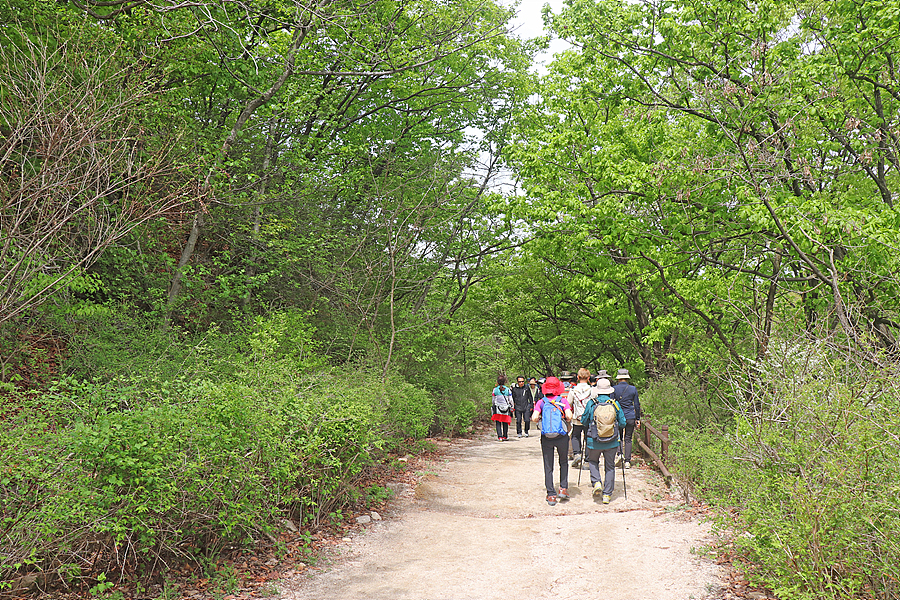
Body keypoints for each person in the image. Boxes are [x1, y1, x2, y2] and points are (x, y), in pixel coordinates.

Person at [582, 378, 626, 504]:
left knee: (593, 461)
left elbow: (584, 421)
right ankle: (607, 495)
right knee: (610, 467)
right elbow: (623, 422)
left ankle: (596, 482)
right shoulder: (614, 403)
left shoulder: (592, 403)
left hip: (594, 440)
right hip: (611, 441)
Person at [531, 376, 573, 506]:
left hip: (546, 437)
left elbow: (534, 418)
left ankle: (551, 495)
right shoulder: (563, 401)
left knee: (548, 465)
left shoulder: (541, 402)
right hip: (561, 436)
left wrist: (541, 419)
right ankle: (563, 489)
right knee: (563, 462)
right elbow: (569, 416)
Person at [613, 368, 641, 468]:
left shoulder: (614, 389)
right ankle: (628, 461)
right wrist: (638, 418)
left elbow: (612, 403)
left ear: (619, 378)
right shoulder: (633, 389)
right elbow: (637, 405)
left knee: (618, 436)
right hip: (630, 416)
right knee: (628, 438)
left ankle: (620, 454)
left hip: (618, 416)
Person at [567, 368, 594, 468]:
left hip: (577, 418)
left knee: (575, 436)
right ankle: (587, 460)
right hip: (588, 418)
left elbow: (568, 403)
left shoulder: (573, 390)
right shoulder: (592, 390)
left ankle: (577, 454)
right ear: (588, 378)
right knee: (588, 437)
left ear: (577, 377)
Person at [491, 375, 513, 441]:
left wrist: (493, 405)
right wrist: (512, 406)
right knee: (505, 422)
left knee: (498, 422)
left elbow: (493, 399)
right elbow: (510, 399)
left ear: (497, 382)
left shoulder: (495, 390)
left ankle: (499, 436)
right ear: (505, 382)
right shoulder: (508, 390)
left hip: (498, 408)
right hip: (506, 408)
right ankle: (505, 436)